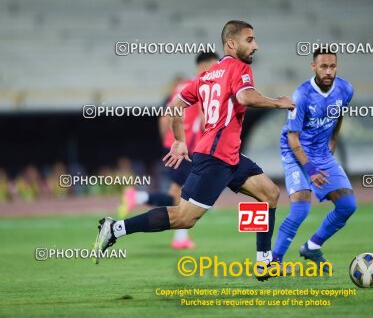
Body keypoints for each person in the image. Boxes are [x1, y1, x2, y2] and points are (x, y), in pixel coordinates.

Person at [93, 20, 295, 281]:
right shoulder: (238, 67)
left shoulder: (206, 76)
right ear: (231, 44)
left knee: (269, 193)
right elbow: (245, 97)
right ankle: (116, 228)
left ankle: (264, 263)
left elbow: (175, 106)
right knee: (184, 218)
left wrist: (179, 140)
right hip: (215, 157)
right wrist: (276, 102)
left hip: (228, 155)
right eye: (249, 40)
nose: (255, 46)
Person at [117, 52, 219, 250]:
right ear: (208, 66)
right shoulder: (204, 86)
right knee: (183, 197)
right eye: (216, 66)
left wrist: (168, 140)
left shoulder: (182, 87)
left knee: (177, 194)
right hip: (188, 148)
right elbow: (206, 118)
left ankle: (139, 200)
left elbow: (165, 118)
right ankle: (175, 234)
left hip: (173, 146)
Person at [272, 47, 357, 273]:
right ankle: (274, 262)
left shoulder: (345, 89)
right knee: (300, 210)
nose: (329, 71)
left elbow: (339, 113)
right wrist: (310, 170)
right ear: (313, 67)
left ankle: (312, 246)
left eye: (332, 66)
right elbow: (293, 139)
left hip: (321, 151)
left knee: (348, 206)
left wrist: (334, 138)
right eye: (323, 67)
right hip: (295, 152)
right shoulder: (301, 96)